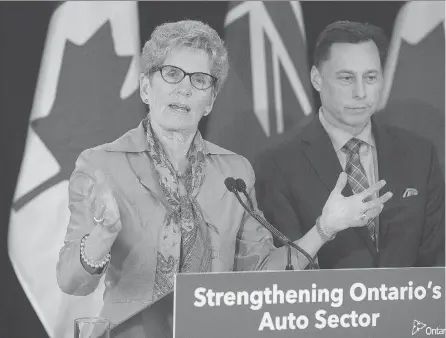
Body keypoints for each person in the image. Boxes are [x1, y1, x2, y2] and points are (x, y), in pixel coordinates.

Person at [56, 20, 392, 335]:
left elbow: (260, 274)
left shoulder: (234, 172)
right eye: (172, 74)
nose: (185, 89)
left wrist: (325, 228)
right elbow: (72, 281)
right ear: (146, 87)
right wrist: (104, 233)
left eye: (200, 80)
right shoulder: (102, 164)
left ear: (210, 101)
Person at [254, 21, 445, 270]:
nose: (360, 92)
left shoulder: (420, 154)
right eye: (346, 78)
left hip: (409, 306)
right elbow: (282, 271)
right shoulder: (277, 165)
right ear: (316, 78)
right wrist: (324, 228)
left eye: (370, 77)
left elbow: (436, 260)